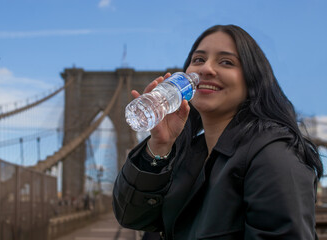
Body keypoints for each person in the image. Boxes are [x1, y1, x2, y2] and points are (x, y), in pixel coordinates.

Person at [112, 24, 323, 240]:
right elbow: (132, 217)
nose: (205, 69)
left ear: (252, 80)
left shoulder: (274, 156)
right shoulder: (186, 154)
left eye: (226, 62)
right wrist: (159, 146)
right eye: (198, 60)